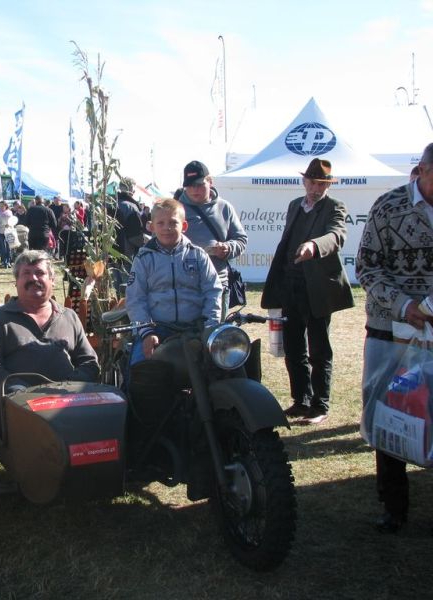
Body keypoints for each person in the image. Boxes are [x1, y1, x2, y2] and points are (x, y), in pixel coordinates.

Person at [356, 144, 433, 533]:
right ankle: (393, 506)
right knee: (391, 414)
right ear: (421, 170)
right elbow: (367, 268)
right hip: (392, 331)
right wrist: (404, 306)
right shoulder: (388, 207)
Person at [261, 158, 354, 425]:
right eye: (312, 182)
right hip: (291, 285)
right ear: (304, 181)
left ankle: (319, 405)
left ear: (328, 184)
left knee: (319, 348)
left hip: (318, 289)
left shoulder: (335, 206)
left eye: (322, 184)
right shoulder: (294, 206)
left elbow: (337, 235)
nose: (315, 188)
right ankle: (301, 401)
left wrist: (313, 246)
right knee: (293, 347)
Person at [0, 249, 100, 399]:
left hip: (67, 405)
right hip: (17, 407)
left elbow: (89, 362)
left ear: (52, 280)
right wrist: (21, 392)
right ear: (16, 282)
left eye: (40, 273)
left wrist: (70, 386)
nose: (33, 278)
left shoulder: (69, 317)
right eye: (26, 273)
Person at [125, 199, 222, 365]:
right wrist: (147, 332)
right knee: (140, 370)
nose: (167, 228)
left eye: (173, 222)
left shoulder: (198, 256)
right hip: (157, 328)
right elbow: (135, 299)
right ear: (151, 226)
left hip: (195, 328)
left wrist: (210, 326)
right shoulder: (143, 259)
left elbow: (213, 290)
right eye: (160, 223)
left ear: (184, 226)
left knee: (226, 363)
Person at [178, 160, 247, 308]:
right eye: (190, 185)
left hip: (218, 282)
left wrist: (228, 248)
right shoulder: (175, 210)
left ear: (210, 181)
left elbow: (241, 239)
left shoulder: (224, 207)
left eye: (199, 184)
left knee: (216, 330)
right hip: (184, 285)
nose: (194, 190)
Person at [0, 200, 17, 268]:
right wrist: (4, 225)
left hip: (9, 231)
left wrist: (10, 226)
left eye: (2, 206)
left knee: (8, 248)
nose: (1, 207)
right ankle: (4, 261)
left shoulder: (10, 212)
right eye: (0, 206)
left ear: (5, 206)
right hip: (0, 232)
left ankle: (8, 261)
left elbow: (13, 222)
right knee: (2, 248)